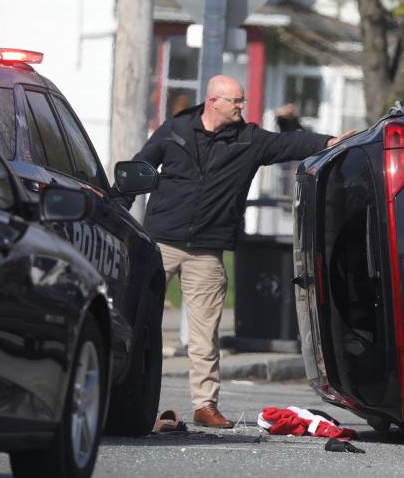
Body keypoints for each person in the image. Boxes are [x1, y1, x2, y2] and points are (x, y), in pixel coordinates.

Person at [130, 75, 356, 428]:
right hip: (160, 244)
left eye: (242, 101)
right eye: (236, 101)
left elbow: (289, 143)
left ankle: (205, 406)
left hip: (207, 251)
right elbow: (140, 167)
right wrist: (117, 209)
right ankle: (126, 402)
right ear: (213, 101)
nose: (241, 107)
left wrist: (329, 141)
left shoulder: (248, 140)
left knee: (205, 336)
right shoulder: (175, 130)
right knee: (139, 324)